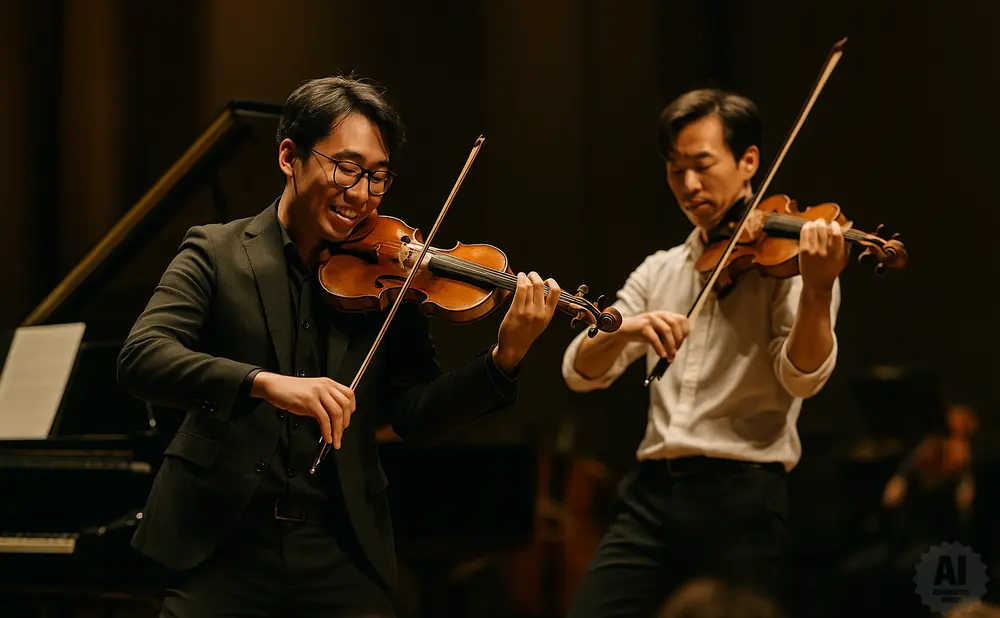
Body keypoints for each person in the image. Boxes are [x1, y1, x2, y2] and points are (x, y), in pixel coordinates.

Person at [117, 75, 563, 618]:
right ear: (290, 156)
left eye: (377, 177)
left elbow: (415, 416)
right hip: (221, 543)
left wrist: (504, 359)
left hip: (337, 544)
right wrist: (267, 383)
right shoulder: (215, 252)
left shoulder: (391, 277)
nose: (361, 194)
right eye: (347, 169)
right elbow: (142, 356)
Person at [560, 88, 848, 617]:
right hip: (651, 496)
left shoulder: (788, 264)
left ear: (749, 161)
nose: (688, 185)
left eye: (702, 165)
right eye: (675, 170)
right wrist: (626, 330)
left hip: (742, 499)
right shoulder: (660, 269)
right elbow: (580, 371)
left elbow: (803, 377)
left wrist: (817, 288)